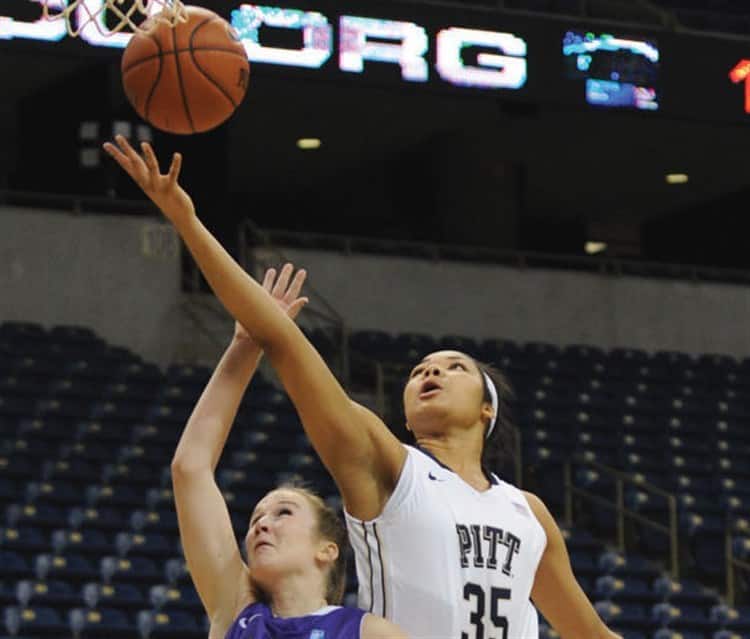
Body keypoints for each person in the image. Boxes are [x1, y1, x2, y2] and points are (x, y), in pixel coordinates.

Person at [105, 135, 623, 639]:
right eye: (419, 370)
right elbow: (284, 343)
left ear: (488, 408)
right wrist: (188, 224)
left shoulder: (527, 512)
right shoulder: (388, 464)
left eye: (453, 368)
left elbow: (590, 633)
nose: (430, 373)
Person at [168, 264, 406, 639]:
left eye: (283, 513)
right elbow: (190, 468)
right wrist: (245, 346)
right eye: (256, 519)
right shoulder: (237, 611)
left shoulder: (368, 631)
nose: (261, 524)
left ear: (327, 550)